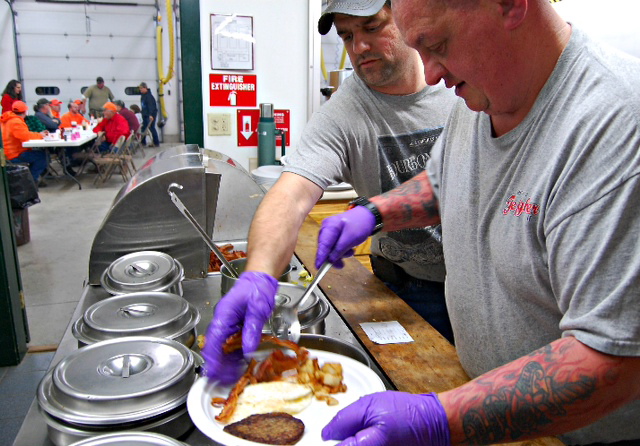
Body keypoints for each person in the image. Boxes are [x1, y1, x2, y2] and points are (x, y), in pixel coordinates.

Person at [311, 0, 640, 445]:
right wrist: (374, 214)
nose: (429, 75)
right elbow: (446, 182)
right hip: (493, 414)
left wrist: (438, 419)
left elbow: (613, 360)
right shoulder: (480, 94)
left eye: (438, 45)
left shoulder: (613, 126)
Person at [201, 0, 458, 387]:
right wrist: (257, 276)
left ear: (406, 14)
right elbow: (291, 195)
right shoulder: (346, 111)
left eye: (372, 27)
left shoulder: (460, 85)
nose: (359, 47)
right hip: (405, 286)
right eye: (347, 35)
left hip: (478, 284)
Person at [1, 101, 48, 185]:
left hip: (6, 154)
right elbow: (25, 137)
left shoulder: (6, 119)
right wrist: (40, 135)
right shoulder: (16, 122)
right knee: (42, 156)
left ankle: (30, 177)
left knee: (37, 154)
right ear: (25, 112)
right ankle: (31, 181)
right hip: (13, 155)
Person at [138, 82, 160, 147]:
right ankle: (143, 142)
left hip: (149, 115)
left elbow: (151, 106)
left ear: (145, 88)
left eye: (141, 89)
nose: (140, 90)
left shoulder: (149, 96)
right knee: (144, 128)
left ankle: (156, 142)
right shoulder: (143, 96)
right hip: (145, 114)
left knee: (151, 128)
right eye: (140, 89)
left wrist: (150, 115)